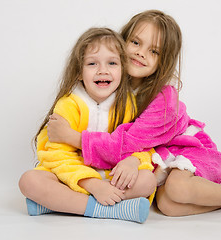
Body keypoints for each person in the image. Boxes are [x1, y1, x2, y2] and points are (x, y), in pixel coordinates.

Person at [47, 10, 221, 217]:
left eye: (154, 51)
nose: (140, 53)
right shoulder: (112, 79)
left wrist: (72, 137)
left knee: (179, 187)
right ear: (121, 42)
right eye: (135, 42)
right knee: (169, 207)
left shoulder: (163, 100)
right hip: (154, 159)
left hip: (186, 151)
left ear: (165, 60)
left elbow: (125, 143)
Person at [18, 27, 157, 223]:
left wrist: (133, 161)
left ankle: (62, 204)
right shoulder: (68, 105)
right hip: (70, 178)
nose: (103, 70)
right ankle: (108, 209)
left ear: (123, 69)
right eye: (92, 63)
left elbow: (140, 144)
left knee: (147, 180)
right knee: (30, 181)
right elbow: (56, 155)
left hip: (111, 178)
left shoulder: (128, 105)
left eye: (112, 63)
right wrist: (92, 185)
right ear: (79, 73)